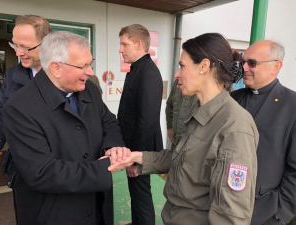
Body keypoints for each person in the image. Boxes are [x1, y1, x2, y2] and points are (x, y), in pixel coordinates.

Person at [107, 33, 259, 225]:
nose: (177, 74)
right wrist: (135, 157)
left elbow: (231, 215)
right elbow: (180, 158)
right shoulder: (200, 111)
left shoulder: (235, 127)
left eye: (182, 66)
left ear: (204, 66)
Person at [2, 31, 129, 225]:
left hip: (96, 208)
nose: (91, 72)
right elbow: (42, 172)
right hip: (53, 214)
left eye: (90, 63)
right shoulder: (19, 108)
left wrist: (113, 146)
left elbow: (109, 122)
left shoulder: (89, 90)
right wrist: (106, 168)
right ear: (56, 68)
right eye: (83, 66)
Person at [231, 40, 296, 225]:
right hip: (224, 205)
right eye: (243, 62)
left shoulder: (292, 106)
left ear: (276, 66)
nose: (244, 67)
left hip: (264, 212)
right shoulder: (232, 100)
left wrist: (280, 214)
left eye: (252, 63)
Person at [118, 24, 163, 225]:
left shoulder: (148, 73)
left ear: (138, 43)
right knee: (136, 195)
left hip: (140, 151)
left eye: (124, 44)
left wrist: (137, 159)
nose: (121, 49)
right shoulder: (138, 70)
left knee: (141, 196)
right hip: (134, 150)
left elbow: (147, 121)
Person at [0, 15, 52, 169]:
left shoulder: (74, 76)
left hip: (60, 167)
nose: (18, 54)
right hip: (21, 168)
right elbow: (1, 111)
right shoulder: (11, 75)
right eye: (15, 46)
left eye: (25, 48)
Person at [165, 79, 197, 150]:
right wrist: (169, 127)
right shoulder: (178, 81)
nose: (177, 74)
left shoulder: (204, 83)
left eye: (183, 67)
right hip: (175, 141)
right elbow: (170, 105)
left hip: (193, 145)